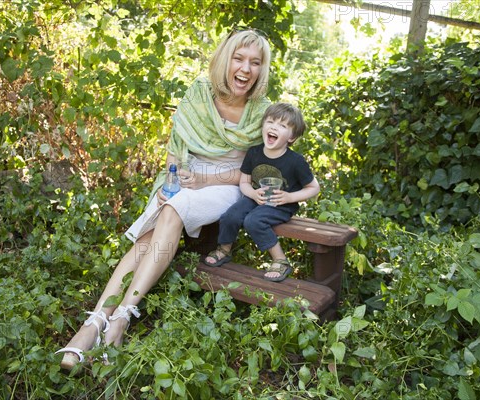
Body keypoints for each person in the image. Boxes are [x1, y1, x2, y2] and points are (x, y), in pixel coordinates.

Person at [55, 29, 272, 370]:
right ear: (225, 60)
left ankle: (119, 320)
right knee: (151, 229)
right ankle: (96, 323)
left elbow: (250, 173)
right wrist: (171, 182)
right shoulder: (200, 91)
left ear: (262, 68)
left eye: (255, 62)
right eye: (239, 58)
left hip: (226, 183)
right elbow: (176, 150)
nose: (246, 69)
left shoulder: (262, 111)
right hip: (184, 175)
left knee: (173, 209)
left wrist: (202, 181)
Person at [203, 103, 320, 282]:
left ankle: (281, 260)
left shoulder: (296, 161)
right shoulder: (254, 153)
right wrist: (252, 194)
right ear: (263, 125)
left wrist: (289, 197)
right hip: (255, 197)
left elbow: (314, 188)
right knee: (230, 215)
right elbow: (244, 181)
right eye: (270, 121)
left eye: (282, 126)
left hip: (281, 203)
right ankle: (224, 250)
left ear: (292, 137)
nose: (274, 127)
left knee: (254, 220)